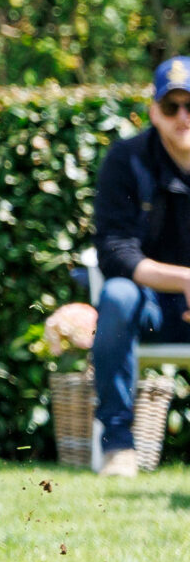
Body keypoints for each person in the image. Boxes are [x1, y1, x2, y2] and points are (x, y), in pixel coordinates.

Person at [91, 54, 190, 475]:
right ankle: (118, 445)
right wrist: (185, 279)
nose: (183, 117)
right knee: (115, 295)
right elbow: (115, 251)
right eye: (171, 106)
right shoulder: (126, 160)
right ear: (153, 110)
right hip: (149, 305)